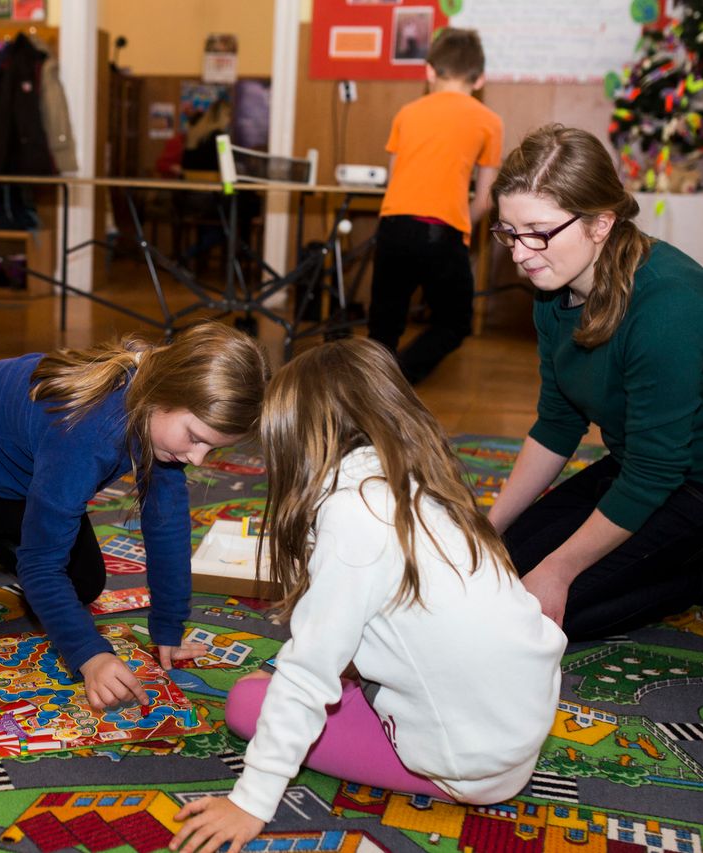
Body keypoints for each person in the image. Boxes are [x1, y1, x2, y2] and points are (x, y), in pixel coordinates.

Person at [172, 338, 566, 853]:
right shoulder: (421, 481)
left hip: (473, 765)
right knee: (321, 675)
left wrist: (251, 800)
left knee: (250, 701)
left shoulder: (354, 516)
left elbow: (308, 671)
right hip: (516, 727)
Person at [485, 125, 703, 649]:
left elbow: (656, 472)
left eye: (537, 232)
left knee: (538, 615)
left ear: (601, 223)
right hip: (651, 461)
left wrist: (559, 573)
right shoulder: (553, 288)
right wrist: (490, 526)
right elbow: (558, 422)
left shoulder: (668, 306)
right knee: (502, 568)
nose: (519, 254)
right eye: (508, 232)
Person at [0, 323, 269, 710]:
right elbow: (41, 566)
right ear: (164, 396)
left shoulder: (158, 415)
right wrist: (90, 656)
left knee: (84, 583)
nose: (196, 458)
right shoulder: (86, 435)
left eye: (210, 449)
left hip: (23, 474)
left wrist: (168, 625)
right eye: (195, 438)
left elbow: (167, 527)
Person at [367, 27, 503, 384]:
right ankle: (398, 380)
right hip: (442, 232)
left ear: (429, 71)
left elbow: (394, 178)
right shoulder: (490, 122)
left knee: (383, 330)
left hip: (394, 227)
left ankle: (368, 398)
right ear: (480, 79)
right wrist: (462, 221)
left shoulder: (407, 113)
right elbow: (486, 197)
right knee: (455, 323)